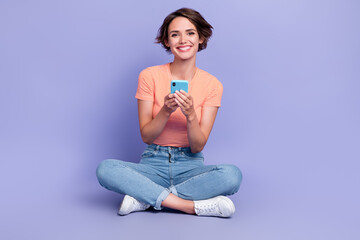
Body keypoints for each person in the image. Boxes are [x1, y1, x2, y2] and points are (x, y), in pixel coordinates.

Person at [96, 8, 242, 218]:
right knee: (105, 169)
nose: (183, 39)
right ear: (167, 41)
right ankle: (191, 206)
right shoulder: (149, 76)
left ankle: (145, 198)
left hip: (190, 167)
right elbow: (146, 136)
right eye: (175, 34)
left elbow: (198, 145)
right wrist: (166, 110)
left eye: (190, 33)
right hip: (152, 164)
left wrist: (191, 114)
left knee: (232, 176)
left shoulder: (212, 85)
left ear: (201, 38)